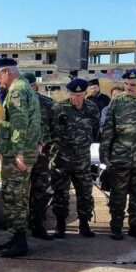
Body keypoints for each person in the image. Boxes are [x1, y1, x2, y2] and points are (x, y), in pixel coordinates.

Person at [99, 68, 136, 240]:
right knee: (118, 195)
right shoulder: (117, 102)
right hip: (120, 156)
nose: (128, 88)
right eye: (126, 84)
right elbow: (108, 130)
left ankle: (135, 227)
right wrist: (105, 155)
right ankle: (116, 227)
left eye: (132, 84)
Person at [0, 59, 41, 257]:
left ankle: (19, 241)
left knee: (14, 198)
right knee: (18, 196)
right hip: (20, 150)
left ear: (5, 72)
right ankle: (15, 237)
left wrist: (19, 152)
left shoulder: (17, 90)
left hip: (17, 154)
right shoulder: (26, 88)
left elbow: (19, 124)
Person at [49, 78, 100, 238]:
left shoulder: (92, 108)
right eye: (72, 94)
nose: (75, 98)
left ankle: (84, 224)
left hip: (82, 160)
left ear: (85, 93)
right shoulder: (59, 108)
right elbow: (51, 131)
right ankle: (61, 224)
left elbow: (96, 131)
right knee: (61, 193)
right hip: (61, 159)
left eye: (78, 95)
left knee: (85, 193)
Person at [23, 72, 55, 240]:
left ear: (35, 86)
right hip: (20, 156)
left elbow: (55, 129)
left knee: (40, 190)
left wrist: (45, 144)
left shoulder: (48, 104)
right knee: (20, 192)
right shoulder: (14, 103)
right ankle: (18, 227)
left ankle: (37, 225)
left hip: (41, 157)